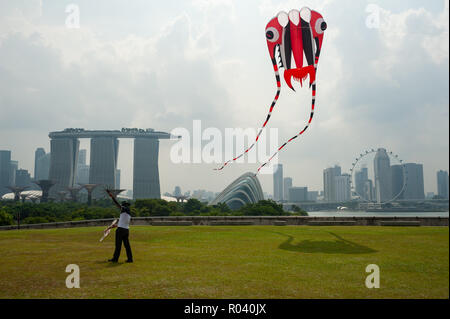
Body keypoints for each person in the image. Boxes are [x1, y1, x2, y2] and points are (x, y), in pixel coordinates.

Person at [105, 190, 133, 263]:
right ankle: (130, 259)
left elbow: (117, 204)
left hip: (120, 231)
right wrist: (109, 227)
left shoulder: (124, 210)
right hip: (126, 230)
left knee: (118, 245)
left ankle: (115, 259)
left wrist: (112, 197)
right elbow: (120, 224)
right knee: (127, 246)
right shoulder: (128, 214)